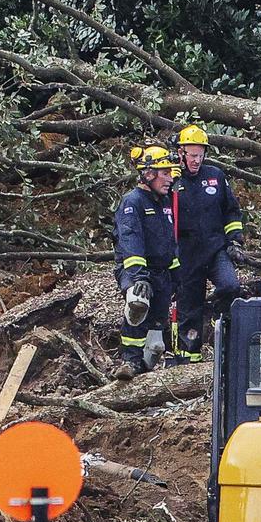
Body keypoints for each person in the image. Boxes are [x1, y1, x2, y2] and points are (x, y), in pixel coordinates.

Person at [171, 124, 244, 363]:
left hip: (215, 249)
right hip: (186, 254)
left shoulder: (215, 176)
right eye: (192, 155)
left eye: (200, 155)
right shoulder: (172, 181)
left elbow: (231, 211)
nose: (196, 161)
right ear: (180, 153)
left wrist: (234, 241)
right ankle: (188, 358)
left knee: (230, 286)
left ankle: (217, 321)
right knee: (189, 307)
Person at [112, 144, 180, 380]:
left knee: (156, 341)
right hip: (136, 270)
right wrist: (138, 277)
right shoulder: (133, 202)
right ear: (148, 174)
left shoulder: (164, 202)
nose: (170, 178)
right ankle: (129, 360)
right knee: (138, 302)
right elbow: (131, 241)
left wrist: (176, 275)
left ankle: (146, 367)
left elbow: (169, 241)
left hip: (162, 271)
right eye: (165, 173)